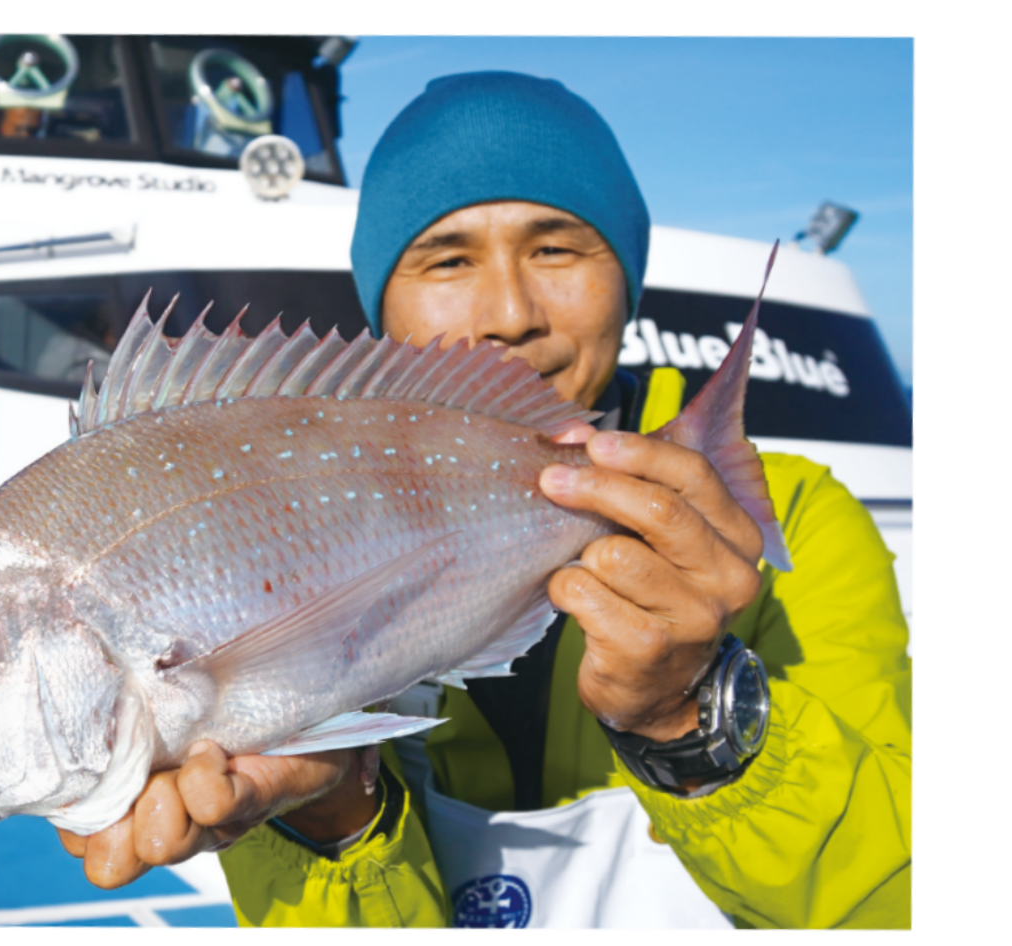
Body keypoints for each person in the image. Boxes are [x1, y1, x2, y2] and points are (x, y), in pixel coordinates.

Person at [55, 72, 911, 929]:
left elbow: (902, 903)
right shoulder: (282, 518)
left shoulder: (792, 517)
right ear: (381, 302)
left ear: (626, 280)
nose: (509, 313)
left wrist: (690, 712)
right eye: (449, 260)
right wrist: (327, 812)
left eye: (557, 249)